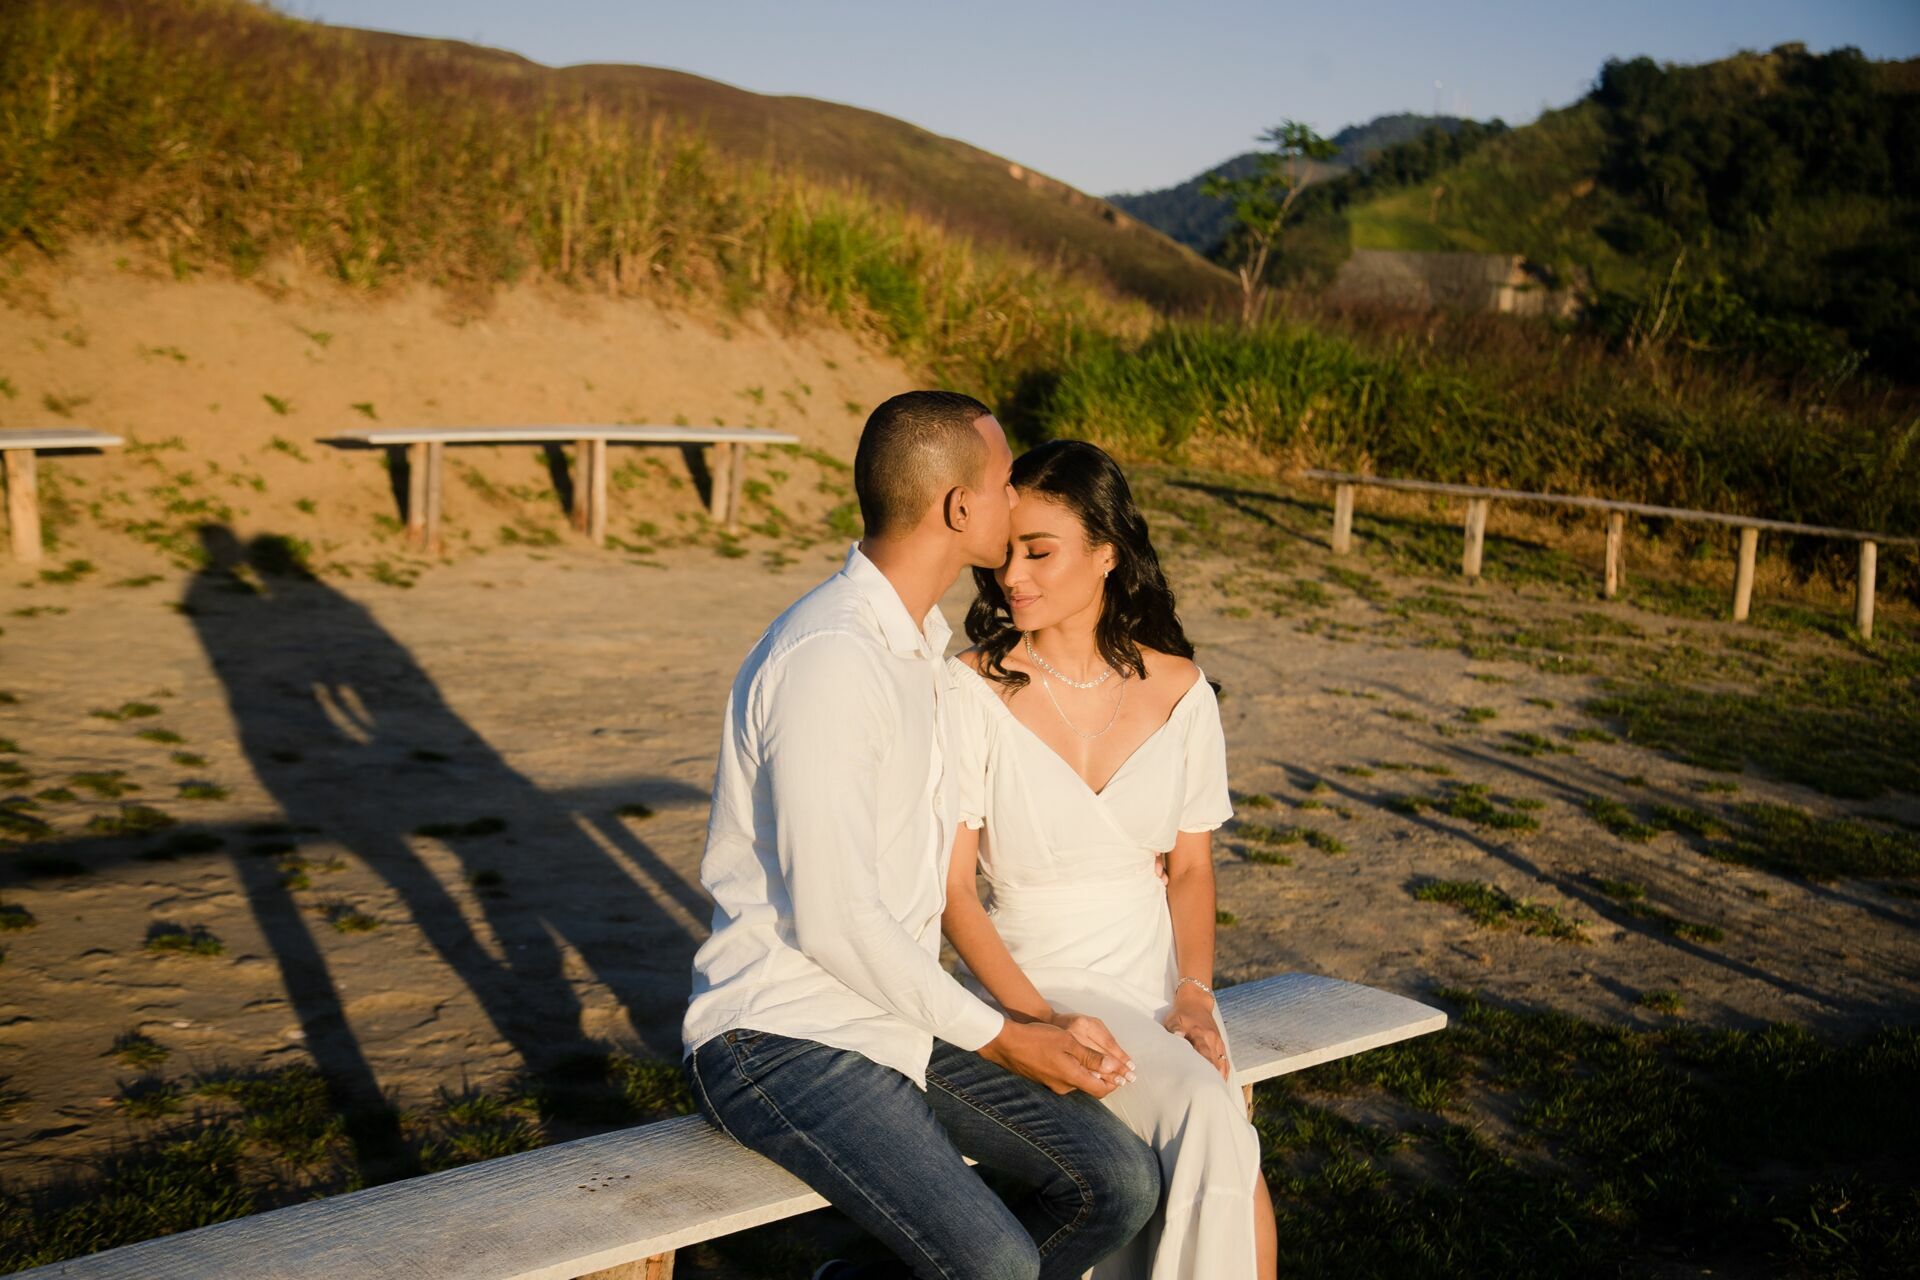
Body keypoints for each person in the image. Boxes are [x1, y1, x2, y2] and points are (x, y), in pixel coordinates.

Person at [682, 393, 1162, 1280]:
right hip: (780, 1037)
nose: (1017, 495)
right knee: (998, 1267)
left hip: (888, 1015)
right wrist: (1005, 1035)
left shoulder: (915, 655)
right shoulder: (831, 660)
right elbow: (834, 922)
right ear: (959, 507)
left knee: (1118, 1181)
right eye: (1005, 480)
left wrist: (1033, 1018)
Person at [942, 439, 1278, 1280]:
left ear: (1107, 553)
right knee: (1209, 1117)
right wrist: (1034, 1020)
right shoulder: (970, 688)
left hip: (1156, 981)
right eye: (1006, 552)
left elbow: (1191, 870)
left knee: (1226, 1144)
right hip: (1038, 978)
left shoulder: (1181, 691)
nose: (1011, 575)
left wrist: (1195, 995)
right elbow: (953, 894)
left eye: (1039, 551)